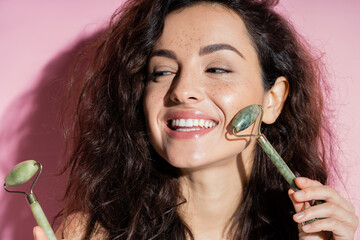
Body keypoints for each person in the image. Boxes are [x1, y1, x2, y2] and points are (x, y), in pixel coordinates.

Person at [34, 0, 358, 239]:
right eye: (161, 72)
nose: (182, 91)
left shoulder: (313, 234)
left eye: (217, 69)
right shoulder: (92, 235)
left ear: (272, 100)